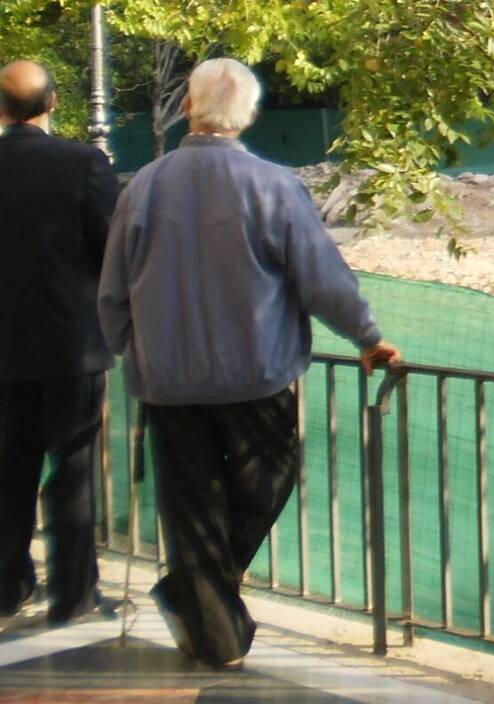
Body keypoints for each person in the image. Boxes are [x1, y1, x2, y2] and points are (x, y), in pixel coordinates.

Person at [98, 58, 399, 667]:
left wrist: (131, 346)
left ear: (188, 106)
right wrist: (366, 335)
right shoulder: (274, 186)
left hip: (168, 380)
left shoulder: (144, 186)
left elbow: (112, 292)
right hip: (257, 375)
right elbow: (323, 280)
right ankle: (212, 627)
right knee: (268, 481)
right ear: (251, 114)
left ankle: (200, 602)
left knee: (192, 505)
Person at [0, 59, 119, 624]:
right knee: (72, 472)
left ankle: (6, 586)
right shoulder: (83, 163)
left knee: (8, 472)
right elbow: (112, 247)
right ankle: (72, 596)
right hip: (72, 344)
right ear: (51, 106)